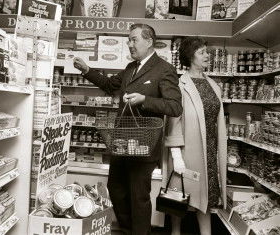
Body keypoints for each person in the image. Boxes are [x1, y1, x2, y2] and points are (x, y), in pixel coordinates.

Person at [73, 23, 182, 235]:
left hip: (144, 146)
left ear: (149, 41)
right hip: (121, 143)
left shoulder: (164, 69)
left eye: (134, 39)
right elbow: (109, 85)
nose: (129, 44)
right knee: (116, 190)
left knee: (138, 197)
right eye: (128, 40)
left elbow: (175, 106)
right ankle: (127, 229)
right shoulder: (131, 68)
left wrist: (145, 100)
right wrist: (87, 70)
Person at [165, 37, 227, 235]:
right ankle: (175, 232)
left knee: (206, 198)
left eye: (206, 51)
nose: (207, 55)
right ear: (190, 57)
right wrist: (176, 155)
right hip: (187, 150)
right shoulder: (180, 85)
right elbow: (173, 121)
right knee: (179, 197)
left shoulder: (213, 85)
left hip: (209, 150)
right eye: (202, 52)